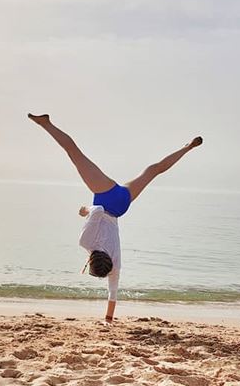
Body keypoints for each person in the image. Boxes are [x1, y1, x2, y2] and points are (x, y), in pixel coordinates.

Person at [28, 113, 202, 324]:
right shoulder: (86, 242)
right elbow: (98, 210)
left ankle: (187, 148)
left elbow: (113, 293)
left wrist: (108, 320)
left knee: (154, 170)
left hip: (122, 205)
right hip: (106, 195)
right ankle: (46, 124)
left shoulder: (115, 264)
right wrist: (84, 209)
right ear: (91, 260)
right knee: (74, 154)